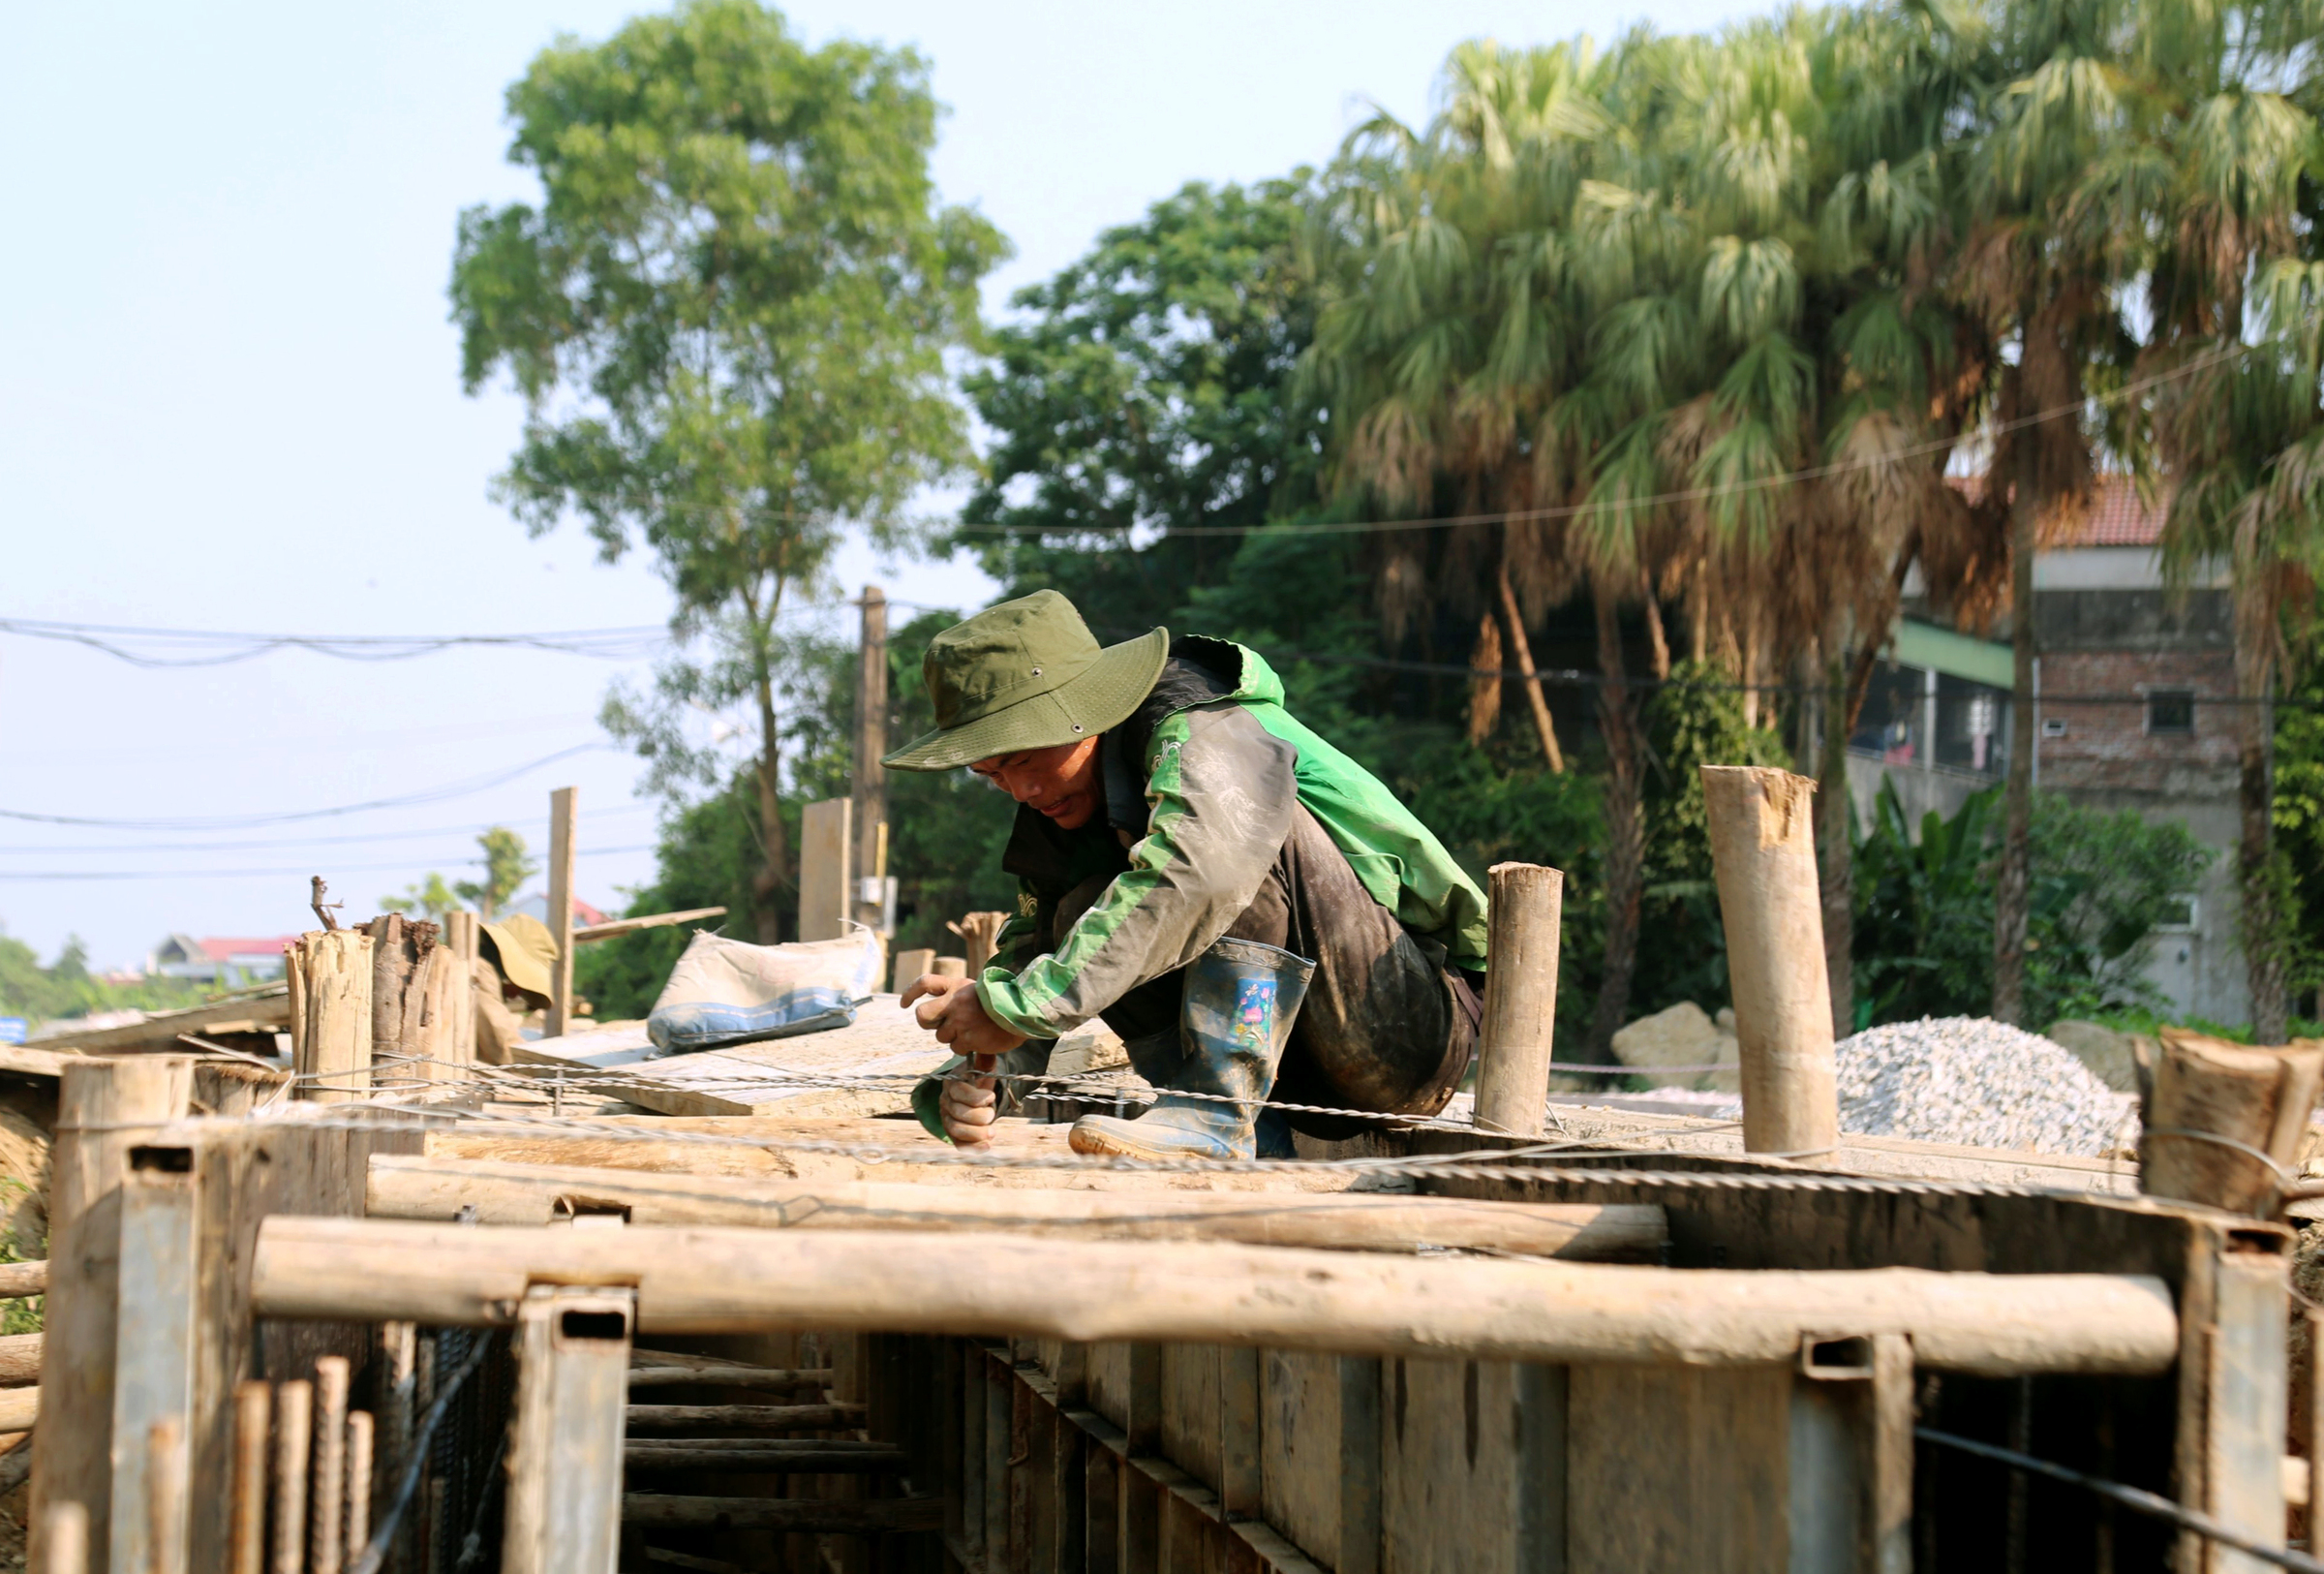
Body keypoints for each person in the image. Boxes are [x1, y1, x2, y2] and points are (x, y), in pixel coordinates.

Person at [885, 590, 1488, 1161]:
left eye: (1023, 759)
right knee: (1082, 908)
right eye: (992, 774)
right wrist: (987, 1069)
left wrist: (1016, 1007)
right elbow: (1039, 949)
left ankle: (1214, 1114)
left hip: (1407, 1035)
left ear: (1083, 715)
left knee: (1222, 848)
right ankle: (1238, 1127)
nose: (1022, 790)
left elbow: (1203, 874)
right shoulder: (1061, 803)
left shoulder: (1201, 723)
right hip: (1297, 1083)